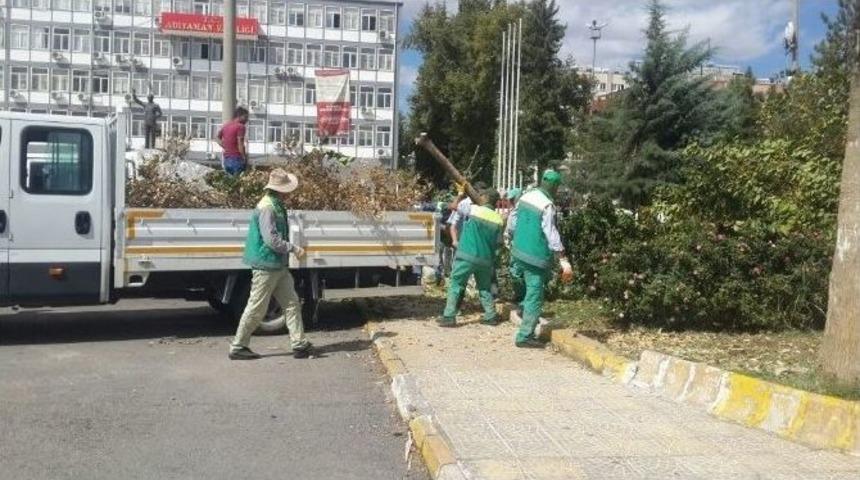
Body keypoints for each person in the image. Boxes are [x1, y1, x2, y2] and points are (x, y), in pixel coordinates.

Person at [229, 169, 313, 360]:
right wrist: (293, 248)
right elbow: (271, 240)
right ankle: (238, 346)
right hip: (266, 265)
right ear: (282, 190)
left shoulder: (274, 203)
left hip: (276, 265)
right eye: (288, 190)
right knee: (256, 307)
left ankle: (299, 345)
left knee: (292, 304)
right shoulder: (267, 207)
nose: (291, 193)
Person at [506, 170, 573, 348]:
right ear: (555, 187)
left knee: (526, 290)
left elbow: (512, 222)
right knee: (534, 296)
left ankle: (523, 314)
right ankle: (525, 336)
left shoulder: (525, 197)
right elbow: (551, 233)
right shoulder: (547, 205)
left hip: (519, 252)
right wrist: (562, 258)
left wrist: (515, 239)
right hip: (535, 257)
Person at [439, 188, 504, 327]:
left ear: (485, 197)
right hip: (485, 260)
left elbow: (454, 207)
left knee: (456, 284)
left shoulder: (473, 210)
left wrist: (461, 193)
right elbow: (499, 244)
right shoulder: (499, 220)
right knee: (484, 288)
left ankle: (449, 316)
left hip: (466, 256)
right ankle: (490, 315)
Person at [215, 107, 250, 176]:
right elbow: (240, 143)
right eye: (245, 117)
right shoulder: (241, 127)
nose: (247, 120)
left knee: (230, 183)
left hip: (226, 160)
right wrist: (244, 157)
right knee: (238, 183)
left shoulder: (226, 125)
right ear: (239, 116)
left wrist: (225, 146)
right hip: (236, 159)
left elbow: (216, 137)